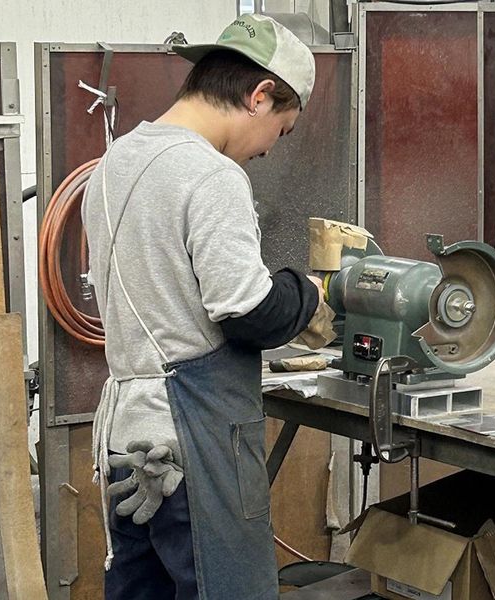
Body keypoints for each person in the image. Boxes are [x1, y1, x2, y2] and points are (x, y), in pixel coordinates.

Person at [82, 14, 322, 600]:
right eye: (282, 130)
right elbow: (248, 311)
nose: (269, 150)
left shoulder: (113, 162)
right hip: (191, 448)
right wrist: (309, 292)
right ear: (260, 96)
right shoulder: (211, 176)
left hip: (127, 444)